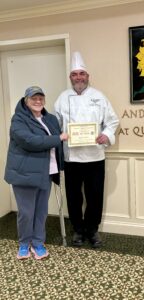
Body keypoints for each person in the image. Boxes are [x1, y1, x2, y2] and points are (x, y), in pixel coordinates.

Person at [54, 52, 119, 248]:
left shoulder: (99, 97)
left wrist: (106, 135)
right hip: (71, 157)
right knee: (74, 196)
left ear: (87, 76)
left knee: (95, 195)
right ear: (70, 77)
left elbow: (112, 121)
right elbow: (55, 125)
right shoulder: (62, 98)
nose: (79, 77)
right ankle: (78, 229)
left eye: (82, 73)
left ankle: (92, 229)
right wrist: (60, 136)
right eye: (75, 74)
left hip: (94, 156)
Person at [4, 86, 68, 260]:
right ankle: (24, 243)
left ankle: (38, 243)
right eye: (34, 98)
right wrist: (59, 138)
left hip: (46, 172)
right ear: (26, 101)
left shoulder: (51, 119)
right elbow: (29, 141)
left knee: (41, 211)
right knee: (26, 212)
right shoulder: (18, 119)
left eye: (41, 98)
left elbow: (60, 141)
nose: (38, 101)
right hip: (24, 174)